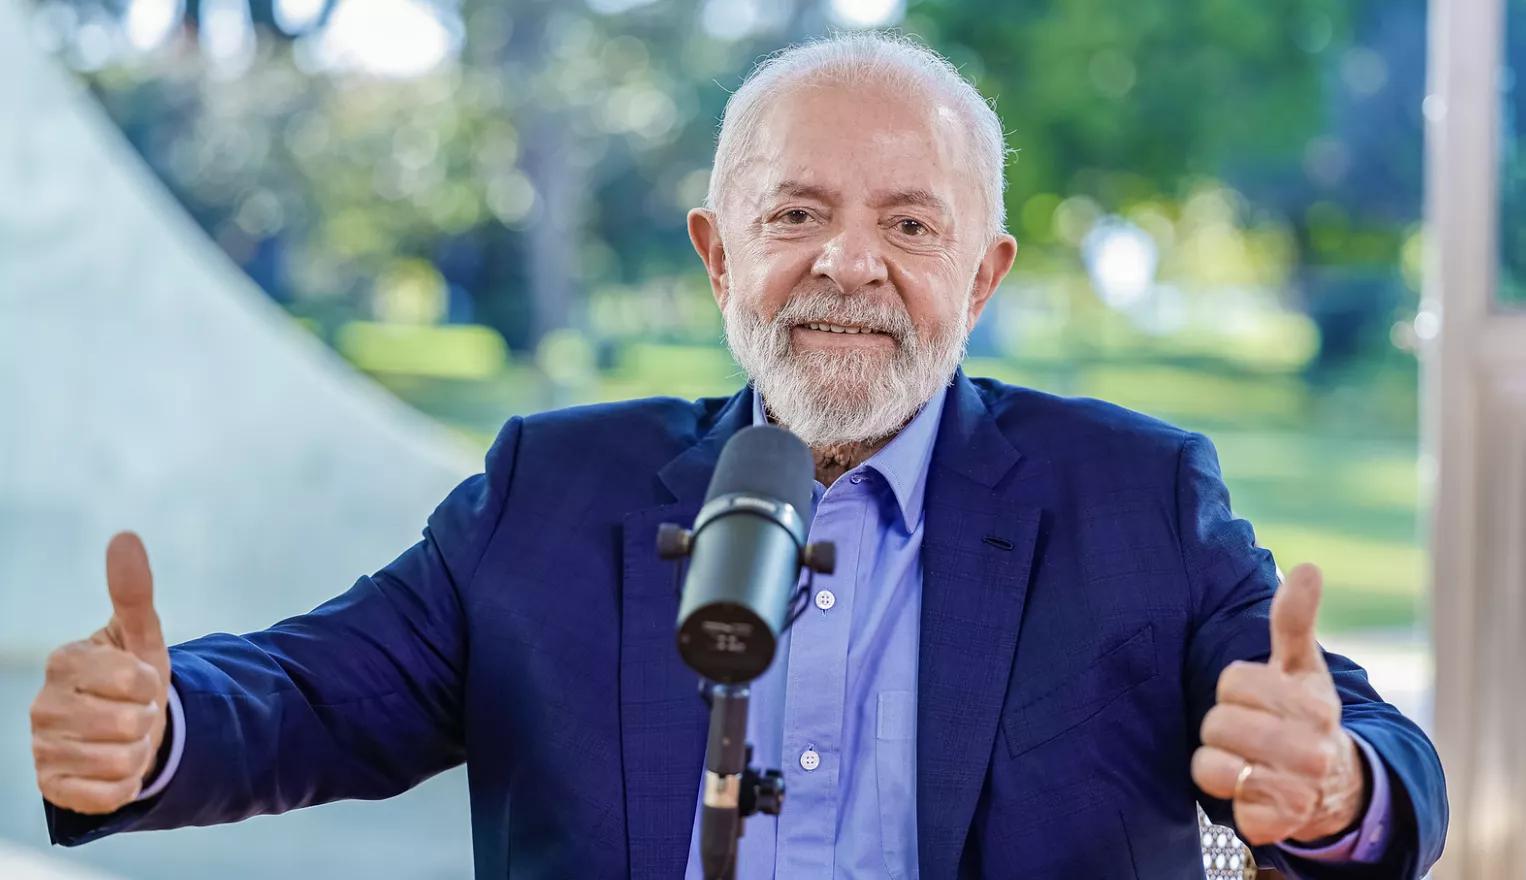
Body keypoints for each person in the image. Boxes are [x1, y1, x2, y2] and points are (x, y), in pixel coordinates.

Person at [29, 32, 1446, 879]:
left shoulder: (1134, 498)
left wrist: (1331, 793)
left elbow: (1381, 760)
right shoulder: (547, 492)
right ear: (718, 256)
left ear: (984, 271)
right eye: (794, 215)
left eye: (908, 223)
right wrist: (159, 730)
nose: (848, 262)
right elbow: (314, 691)